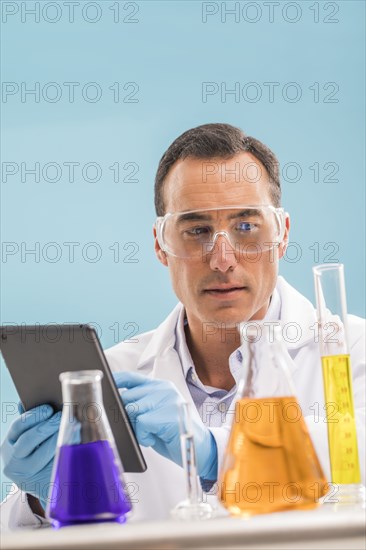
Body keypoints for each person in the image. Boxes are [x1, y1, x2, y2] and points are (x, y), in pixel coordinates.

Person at [1, 123, 365, 529]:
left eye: (246, 227)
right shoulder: (115, 378)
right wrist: (41, 498)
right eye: (197, 231)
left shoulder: (353, 351)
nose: (223, 259)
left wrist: (214, 450)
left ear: (281, 236)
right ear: (161, 244)